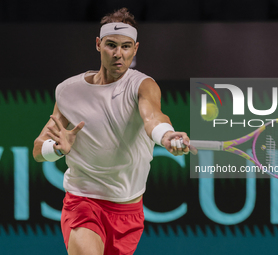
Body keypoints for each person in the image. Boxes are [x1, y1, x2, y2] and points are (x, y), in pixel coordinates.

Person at [33, 8, 192, 255]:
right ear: (98, 44)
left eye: (126, 46)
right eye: (111, 45)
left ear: (135, 49)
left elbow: (153, 117)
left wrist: (166, 135)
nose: (119, 54)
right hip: (82, 202)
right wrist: (55, 148)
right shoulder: (68, 91)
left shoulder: (142, 85)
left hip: (128, 210)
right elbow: (37, 150)